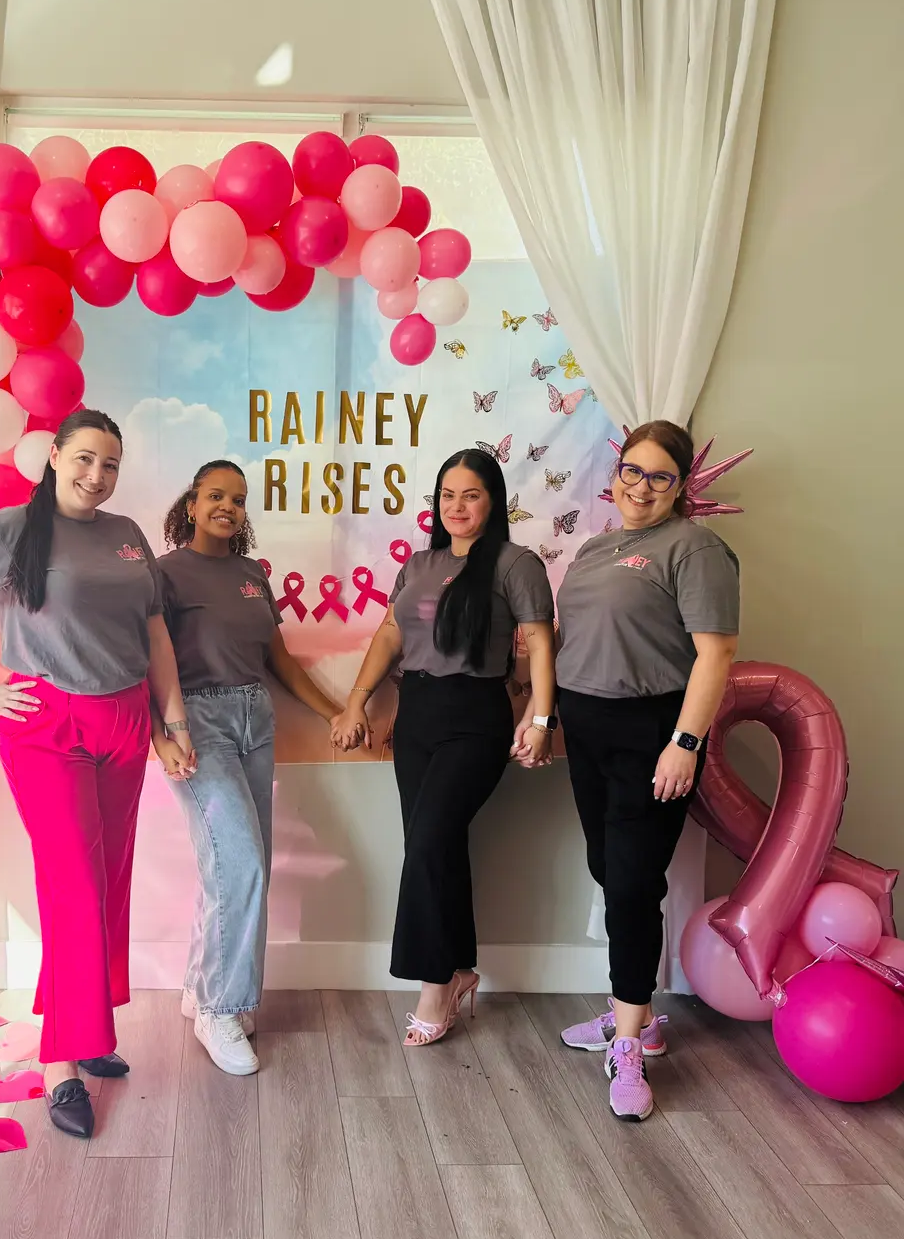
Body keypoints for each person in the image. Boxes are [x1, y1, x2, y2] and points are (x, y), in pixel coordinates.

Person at [0, 408, 193, 1140]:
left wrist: (173, 720)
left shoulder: (128, 535)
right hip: (47, 730)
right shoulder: (8, 532)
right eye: (85, 460)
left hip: (125, 721)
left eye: (110, 465)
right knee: (72, 884)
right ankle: (62, 1062)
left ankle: (87, 1027)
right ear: (55, 456)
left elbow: (154, 631)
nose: (97, 476)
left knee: (106, 882)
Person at [330, 448, 556, 1046]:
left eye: (472, 495)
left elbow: (539, 640)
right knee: (435, 846)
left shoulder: (516, 563)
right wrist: (356, 700)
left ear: (493, 501)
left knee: (430, 841)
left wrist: (540, 719)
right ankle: (460, 971)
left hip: (476, 717)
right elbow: (390, 633)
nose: (457, 507)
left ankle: (434, 985)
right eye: (447, 496)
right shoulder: (419, 564)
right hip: (417, 716)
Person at [555, 420, 739, 1123]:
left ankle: (627, 1046)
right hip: (587, 731)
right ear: (616, 472)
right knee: (611, 870)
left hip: (650, 734)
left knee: (633, 885)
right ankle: (637, 1018)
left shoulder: (695, 549)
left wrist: (684, 743)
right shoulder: (598, 548)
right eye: (632, 471)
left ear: (681, 486)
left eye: (659, 477)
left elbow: (715, 654)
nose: (640, 487)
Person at [155, 459, 345, 1076]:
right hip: (196, 723)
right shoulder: (165, 576)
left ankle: (199, 985)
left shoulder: (249, 575)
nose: (228, 507)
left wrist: (334, 711)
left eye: (238, 500)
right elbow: (143, 661)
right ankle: (221, 1007)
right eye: (215, 495)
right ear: (191, 503)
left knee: (236, 863)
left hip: (252, 719)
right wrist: (160, 733)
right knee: (240, 862)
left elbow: (279, 660)